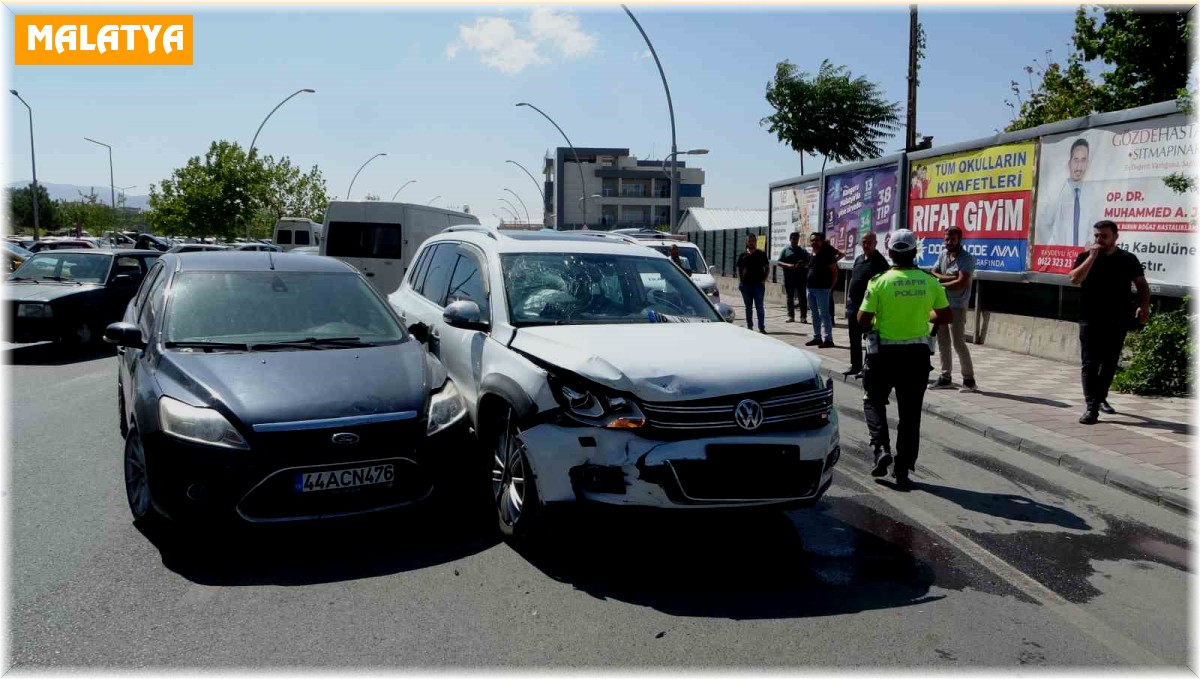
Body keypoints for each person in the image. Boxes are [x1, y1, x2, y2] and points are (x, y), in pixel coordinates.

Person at [857, 229, 952, 489]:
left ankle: (880, 449)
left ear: (889, 252)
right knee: (910, 414)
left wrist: (878, 318)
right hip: (917, 357)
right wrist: (925, 316)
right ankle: (902, 468)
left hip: (883, 357)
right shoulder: (929, 281)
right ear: (915, 252)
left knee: (873, 401)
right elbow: (945, 316)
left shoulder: (879, 281)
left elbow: (862, 319)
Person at [1068, 220, 1151, 425]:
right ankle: (1091, 408)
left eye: (1104, 236)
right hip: (1090, 317)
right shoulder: (1085, 256)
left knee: (1109, 363)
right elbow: (1074, 279)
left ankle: (1099, 398)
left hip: (1118, 317)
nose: (1099, 240)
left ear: (1115, 236)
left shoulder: (1128, 259)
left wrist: (1145, 306)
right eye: (1096, 236)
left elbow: (1141, 284)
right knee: (1090, 363)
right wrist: (1092, 257)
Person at [931, 226, 978, 392]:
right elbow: (933, 272)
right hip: (942, 304)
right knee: (943, 341)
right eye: (946, 239)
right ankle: (945, 377)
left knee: (958, 342)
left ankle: (969, 380)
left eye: (952, 239)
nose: (949, 242)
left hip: (957, 306)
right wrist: (949, 277)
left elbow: (961, 283)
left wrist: (940, 284)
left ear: (960, 240)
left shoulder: (967, 259)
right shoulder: (943, 254)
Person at [843, 231, 890, 377]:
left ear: (876, 243)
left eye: (869, 242)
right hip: (855, 305)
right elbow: (853, 278)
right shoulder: (858, 259)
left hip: (870, 306)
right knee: (854, 337)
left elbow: (885, 284)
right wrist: (848, 297)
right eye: (863, 242)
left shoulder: (880, 262)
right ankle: (855, 366)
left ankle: (868, 367)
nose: (866, 245)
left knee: (870, 338)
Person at [1039, 137, 1098, 248]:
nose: (1079, 167)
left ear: (1087, 163)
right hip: (1060, 260)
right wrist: (1051, 249)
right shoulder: (1057, 193)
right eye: (1076, 160)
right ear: (1069, 163)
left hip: (1082, 260)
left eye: (1083, 160)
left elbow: (1094, 226)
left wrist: (1090, 242)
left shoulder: (1092, 194)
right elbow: (1043, 225)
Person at [805, 232, 842, 348]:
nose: (814, 242)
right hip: (810, 290)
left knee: (824, 315)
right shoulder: (811, 254)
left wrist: (830, 288)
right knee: (814, 314)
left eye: (816, 240)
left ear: (821, 241)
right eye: (812, 240)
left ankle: (828, 339)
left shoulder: (826, 254)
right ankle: (817, 337)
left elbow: (835, 272)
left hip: (822, 290)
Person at [736, 234, 769, 334]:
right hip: (745, 285)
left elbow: (767, 268)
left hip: (758, 285)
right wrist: (740, 281)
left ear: (756, 242)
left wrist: (764, 279)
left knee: (759, 306)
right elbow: (739, 269)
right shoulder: (743, 255)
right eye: (749, 241)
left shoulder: (761, 254)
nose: (751, 242)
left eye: (753, 241)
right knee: (748, 307)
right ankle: (750, 327)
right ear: (746, 242)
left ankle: (761, 327)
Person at [775, 231, 810, 323]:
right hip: (789, 278)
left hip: (801, 277)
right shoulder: (785, 251)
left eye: (797, 239)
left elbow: (809, 262)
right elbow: (779, 262)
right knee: (789, 297)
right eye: (793, 239)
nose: (795, 241)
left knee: (802, 297)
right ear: (790, 239)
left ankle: (803, 317)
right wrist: (789, 265)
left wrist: (803, 264)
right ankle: (791, 316)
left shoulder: (803, 251)